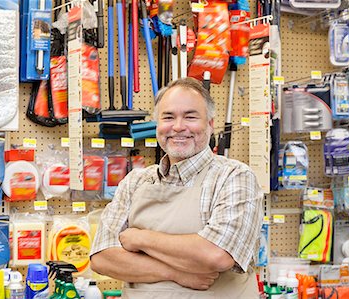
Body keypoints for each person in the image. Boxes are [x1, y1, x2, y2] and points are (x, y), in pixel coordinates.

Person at [90, 77, 263, 299]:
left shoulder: (234, 177)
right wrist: (175, 273)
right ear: (157, 125)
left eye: (190, 117)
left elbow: (216, 254)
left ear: (210, 124)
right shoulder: (134, 182)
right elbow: (102, 258)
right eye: (168, 117)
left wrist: (140, 239)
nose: (178, 127)